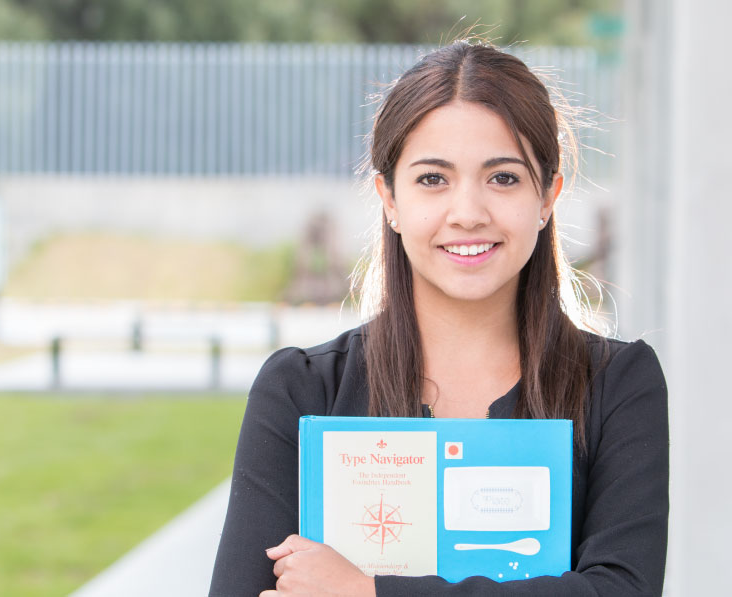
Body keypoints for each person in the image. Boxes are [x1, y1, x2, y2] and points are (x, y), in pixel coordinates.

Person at [209, 39, 668, 597]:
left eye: (503, 178)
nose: (468, 213)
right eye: (433, 179)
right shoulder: (301, 390)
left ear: (548, 196)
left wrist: (367, 591)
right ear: (389, 199)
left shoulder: (618, 386)